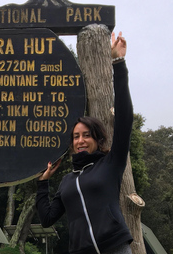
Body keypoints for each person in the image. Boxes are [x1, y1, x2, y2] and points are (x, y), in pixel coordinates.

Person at [35, 31, 133, 254]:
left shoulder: (111, 164)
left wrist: (118, 63)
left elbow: (125, 118)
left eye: (86, 135)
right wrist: (43, 183)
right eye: (76, 136)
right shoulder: (67, 181)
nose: (80, 140)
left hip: (115, 247)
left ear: (97, 139)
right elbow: (48, 219)